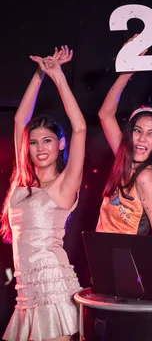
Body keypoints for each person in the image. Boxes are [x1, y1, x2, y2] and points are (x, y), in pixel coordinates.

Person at [1, 47, 86, 341]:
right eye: (34, 142)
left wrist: (58, 76)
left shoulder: (63, 185)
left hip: (54, 292)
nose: (40, 148)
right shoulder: (21, 183)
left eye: (48, 140)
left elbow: (80, 128)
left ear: (60, 144)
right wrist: (39, 74)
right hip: (27, 296)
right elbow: (19, 120)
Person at [96, 36, 152, 249]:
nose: (142, 138)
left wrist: (129, 266)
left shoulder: (146, 176)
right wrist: (128, 71)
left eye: (151, 134)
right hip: (102, 261)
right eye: (137, 131)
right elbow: (105, 114)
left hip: (123, 269)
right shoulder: (124, 161)